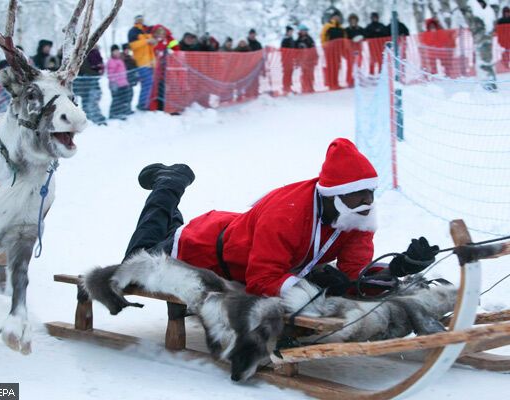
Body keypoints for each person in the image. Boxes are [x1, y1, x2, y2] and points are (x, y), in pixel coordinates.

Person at [123, 138, 439, 300]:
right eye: (360, 194)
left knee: (168, 228)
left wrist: (397, 270)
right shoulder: (287, 213)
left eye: (371, 192)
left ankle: (170, 192)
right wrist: (312, 285)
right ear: (332, 194)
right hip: (201, 247)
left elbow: (354, 275)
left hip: (245, 238)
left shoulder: (355, 216)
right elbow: (261, 281)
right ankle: (170, 182)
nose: (369, 202)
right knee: (135, 261)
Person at [128, 15, 156, 111]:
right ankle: (142, 104)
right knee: (147, 82)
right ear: (135, 20)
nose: (140, 21)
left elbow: (152, 46)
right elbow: (132, 46)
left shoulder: (147, 30)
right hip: (141, 61)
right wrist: (146, 41)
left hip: (150, 62)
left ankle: (144, 103)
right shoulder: (133, 31)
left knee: (148, 84)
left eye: (141, 19)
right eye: (138, 19)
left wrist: (153, 42)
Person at [73, 46, 106, 125]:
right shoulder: (82, 53)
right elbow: (84, 68)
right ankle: (94, 117)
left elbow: (100, 64)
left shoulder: (96, 52)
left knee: (92, 99)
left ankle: (92, 117)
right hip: (84, 81)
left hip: (91, 80)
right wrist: (95, 74)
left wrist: (99, 71)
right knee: (90, 100)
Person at [150, 25, 180, 111]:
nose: (160, 35)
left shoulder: (170, 40)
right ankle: (159, 106)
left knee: (170, 88)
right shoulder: (154, 41)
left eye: (162, 33)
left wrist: (170, 52)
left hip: (170, 69)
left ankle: (171, 106)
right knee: (159, 89)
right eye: (158, 33)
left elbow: (176, 49)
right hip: (158, 70)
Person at [321, 13, 346, 90]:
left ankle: (336, 83)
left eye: (338, 17)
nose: (337, 18)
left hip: (338, 50)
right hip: (329, 50)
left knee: (337, 66)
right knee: (330, 66)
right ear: (332, 17)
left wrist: (343, 48)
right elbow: (323, 36)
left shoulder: (341, 28)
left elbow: (344, 38)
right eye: (335, 17)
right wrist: (324, 45)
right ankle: (331, 84)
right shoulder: (327, 26)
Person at [106, 44, 131, 120]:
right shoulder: (111, 61)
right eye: (115, 51)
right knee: (116, 100)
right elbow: (110, 74)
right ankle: (113, 113)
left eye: (118, 51)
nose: (117, 53)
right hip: (116, 84)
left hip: (123, 84)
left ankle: (121, 112)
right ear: (112, 52)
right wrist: (113, 82)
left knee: (123, 99)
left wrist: (126, 82)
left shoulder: (120, 60)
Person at [295, 25, 317, 94]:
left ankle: (310, 87)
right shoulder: (298, 40)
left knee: (310, 74)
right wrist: (297, 60)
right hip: (302, 60)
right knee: (304, 73)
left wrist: (315, 58)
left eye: (305, 30)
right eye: (303, 30)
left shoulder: (310, 39)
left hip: (310, 59)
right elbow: (295, 51)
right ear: (300, 31)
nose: (304, 32)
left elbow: (314, 49)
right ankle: (304, 87)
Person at [345, 14, 364, 86]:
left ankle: (358, 80)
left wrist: (360, 38)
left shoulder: (360, 29)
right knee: (350, 66)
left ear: (357, 21)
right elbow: (345, 39)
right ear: (349, 21)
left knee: (358, 65)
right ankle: (349, 81)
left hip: (358, 49)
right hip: (349, 50)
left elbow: (364, 36)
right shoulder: (346, 30)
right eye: (351, 20)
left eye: (354, 20)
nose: (353, 21)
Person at [121, 43, 138, 115]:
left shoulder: (131, 58)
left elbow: (135, 67)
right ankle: (124, 110)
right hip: (124, 80)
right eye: (126, 49)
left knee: (130, 94)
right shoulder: (122, 58)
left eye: (128, 49)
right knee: (125, 95)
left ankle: (128, 108)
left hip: (131, 79)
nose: (127, 51)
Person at [280, 26, 296, 94]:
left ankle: (288, 87)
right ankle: (285, 87)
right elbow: (283, 50)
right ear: (287, 32)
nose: (291, 33)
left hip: (291, 59)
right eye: (290, 31)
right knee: (286, 73)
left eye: (292, 31)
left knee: (290, 73)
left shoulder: (291, 39)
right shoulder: (285, 40)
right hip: (286, 59)